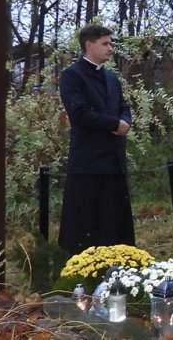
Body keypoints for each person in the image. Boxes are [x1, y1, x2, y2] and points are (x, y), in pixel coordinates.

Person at [58, 24, 135, 255]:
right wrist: (114, 124)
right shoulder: (72, 75)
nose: (111, 48)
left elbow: (124, 107)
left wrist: (125, 122)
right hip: (88, 163)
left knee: (114, 221)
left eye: (111, 43)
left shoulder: (111, 77)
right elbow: (79, 113)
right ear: (89, 45)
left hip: (113, 161)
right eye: (105, 43)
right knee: (86, 223)